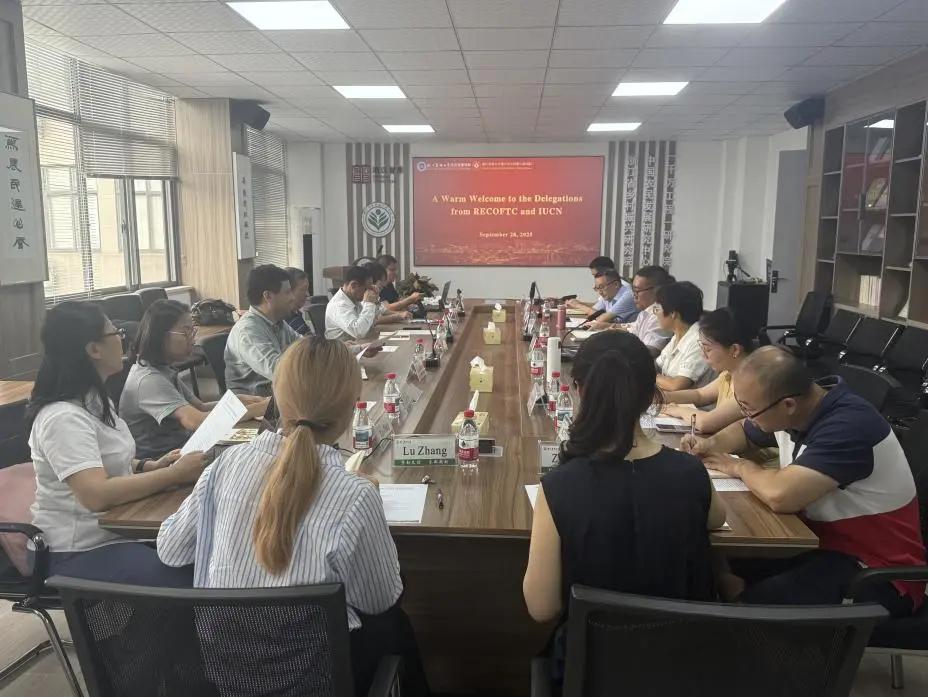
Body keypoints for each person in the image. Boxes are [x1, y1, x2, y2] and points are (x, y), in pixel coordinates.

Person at [158, 336, 428, 695]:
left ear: (276, 397)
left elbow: (171, 549)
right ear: (351, 409)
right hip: (316, 681)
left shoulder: (225, 464)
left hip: (225, 678)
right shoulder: (356, 496)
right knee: (396, 621)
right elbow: (380, 601)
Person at [523, 331, 726, 679]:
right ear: (651, 396)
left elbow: (542, 608)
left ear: (580, 390)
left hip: (591, 672)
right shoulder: (691, 472)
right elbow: (716, 519)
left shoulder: (559, 487)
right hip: (684, 669)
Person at [682, 346, 926, 616]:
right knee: (708, 559)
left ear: (788, 405)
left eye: (749, 409)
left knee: (750, 605)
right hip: (818, 545)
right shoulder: (797, 408)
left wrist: (738, 466)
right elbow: (745, 431)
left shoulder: (850, 426)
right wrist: (711, 444)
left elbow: (780, 495)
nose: (746, 416)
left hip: (876, 571)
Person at [26, 301, 205, 585]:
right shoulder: (62, 418)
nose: (123, 339)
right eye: (116, 333)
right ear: (94, 349)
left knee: (203, 552)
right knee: (195, 577)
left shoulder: (94, 399)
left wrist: (148, 466)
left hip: (115, 533)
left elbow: (105, 459)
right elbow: (96, 494)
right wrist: (174, 474)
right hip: (75, 549)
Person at [120, 300, 269, 458]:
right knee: (255, 444)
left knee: (257, 431)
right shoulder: (149, 380)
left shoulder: (163, 369)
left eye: (193, 330)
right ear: (160, 336)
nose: (193, 339)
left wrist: (237, 401)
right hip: (167, 460)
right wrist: (261, 407)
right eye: (186, 332)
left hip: (186, 445)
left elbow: (200, 407)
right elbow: (196, 421)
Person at [661, 308, 753, 434]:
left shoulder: (751, 384)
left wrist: (674, 410)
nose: (703, 355)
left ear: (735, 350)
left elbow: (706, 423)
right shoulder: (728, 374)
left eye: (708, 349)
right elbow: (700, 395)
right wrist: (662, 397)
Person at [225, 264, 300, 396]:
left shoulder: (277, 321)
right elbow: (279, 372)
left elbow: (305, 346)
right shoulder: (248, 331)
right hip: (254, 404)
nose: (293, 298)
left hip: (278, 395)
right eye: (287, 292)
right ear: (268, 296)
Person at [654, 281, 713, 391]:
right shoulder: (678, 336)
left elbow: (676, 386)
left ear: (673, 313)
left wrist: (650, 375)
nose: (655, 313)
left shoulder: (699, 341)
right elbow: (656, 365)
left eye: (657, 309)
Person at [608, 265, 674, 355]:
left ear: (657, 290)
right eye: (633, 290)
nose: (634, 295)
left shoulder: (660, 315)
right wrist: (612, 328)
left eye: (637, 291)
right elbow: (633, 328)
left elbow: (651, 351)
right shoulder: (645, 313)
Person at [325, 264, 380, 341]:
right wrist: (369, 304)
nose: (368, 293)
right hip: (341, 348)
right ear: (353, 285)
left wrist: (375, 302)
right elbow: (359, 332)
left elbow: (369, 324)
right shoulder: (339, 305)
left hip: (356, 345)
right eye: (366, 289)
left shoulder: (353, 299)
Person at [570, 268, 638, 325]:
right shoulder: (608, 294)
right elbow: (595, 311)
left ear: (616, 284)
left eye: (601, 287)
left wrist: (578, 305)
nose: (599, 292)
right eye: (597, 288)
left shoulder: (628, 295)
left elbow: (602, 319)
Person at [284, 267, 312, 335]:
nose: (307, 294)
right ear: (289, 291)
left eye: (307, 289)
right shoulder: (284, 321)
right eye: (303, 289)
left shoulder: (296, 314)